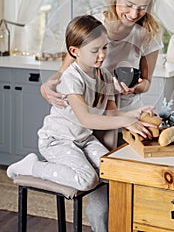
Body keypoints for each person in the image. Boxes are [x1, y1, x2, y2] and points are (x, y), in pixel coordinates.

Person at [7, 15, 157, 232]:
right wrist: (127, 121)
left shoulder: (105, 76)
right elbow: (85, 118)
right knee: (87, 179)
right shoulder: (71, 78)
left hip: (83, 139)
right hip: (58, 141)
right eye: (95, 51)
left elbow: (111, 113)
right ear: (74, 51)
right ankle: (31, 166)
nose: (102, 55)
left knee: (110, 170)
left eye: (105, 48)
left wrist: (134, 114)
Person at [41, 0, 163, 115]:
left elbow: (146, 82)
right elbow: (64, 72)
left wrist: (134, 88)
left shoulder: (149, 34)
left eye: (142, 7)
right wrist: (46, 86)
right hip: (93, 111)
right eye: (129, 5)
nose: (133, 14)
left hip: (128, 111)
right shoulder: (94, 25)